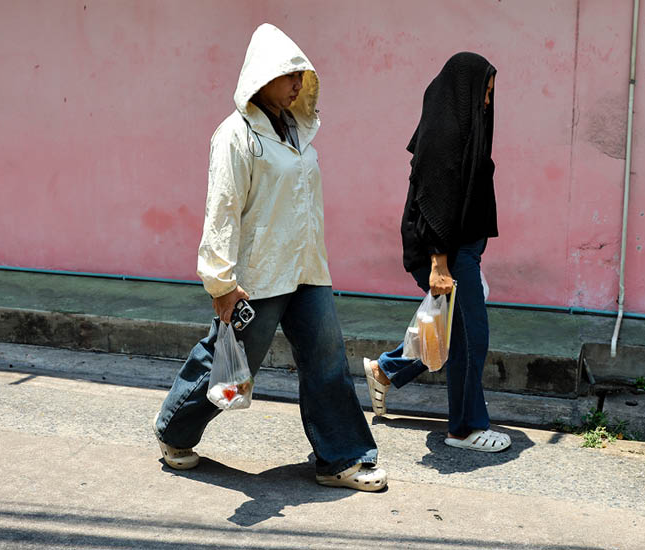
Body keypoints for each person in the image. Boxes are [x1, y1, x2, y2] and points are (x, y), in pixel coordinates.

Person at [153, 23, 387, 491]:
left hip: (306, 269)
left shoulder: (297, 130)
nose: (298, 83)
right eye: (289, 75)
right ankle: (173, 430)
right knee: (230, 367)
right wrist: (221, 284)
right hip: (255, 278)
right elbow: (222, 209)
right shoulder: (236, 135)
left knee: (327, 360)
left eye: (302, 75)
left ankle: (340, 458)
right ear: (262, 77)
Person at [363, 52, 510, 453]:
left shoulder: (464, 127)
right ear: (464, 89)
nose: (486, 101)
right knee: (469, 338)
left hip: (462, 250)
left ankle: (385, 370)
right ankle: (464, 429)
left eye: (490, 94)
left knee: (445, 329)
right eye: (484, 92)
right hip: (445, 250)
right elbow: (435, 201)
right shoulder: (445, 131)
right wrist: (440, 263)